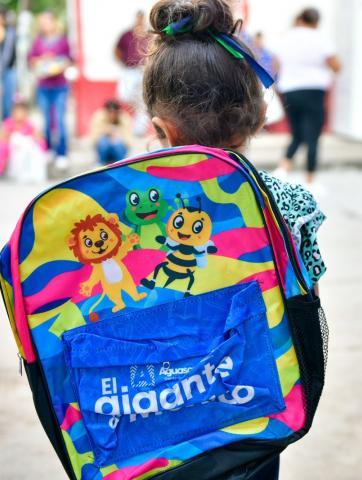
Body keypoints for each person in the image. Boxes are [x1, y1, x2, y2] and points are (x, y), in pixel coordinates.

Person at [142, 1, 327, 477]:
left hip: (147, 424)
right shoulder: (288, 203)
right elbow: (306, 315)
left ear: (160, 127)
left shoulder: (126, 208)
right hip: (251, 425)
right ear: (255, 119)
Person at [273, 7, 341, 184]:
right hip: (314, 91)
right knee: (313, 137)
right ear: (316, 22)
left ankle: (283, 169)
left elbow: (275, 66)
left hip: (290, 91)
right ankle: (310, 179)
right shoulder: (321, 39)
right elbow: (336, 66)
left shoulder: (286, 37)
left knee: (297, 133)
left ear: (300, 19)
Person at [28, 11, 72, 171]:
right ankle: (49, 150)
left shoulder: (62, 40)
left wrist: (57, 62)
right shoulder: (38, 41)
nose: (44, 25)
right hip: (43, 86)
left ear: (53, 22)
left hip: (59, 85)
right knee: (46, 120)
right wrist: (42, 60)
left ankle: (62, 153)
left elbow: (69, 60)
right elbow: (31, 60)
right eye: (42, 22)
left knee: (59, 120)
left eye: (47, 21)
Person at [0, 99, 47, 182]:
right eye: (16, 111)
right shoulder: (9, 123)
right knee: (0, 146)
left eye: (21, 111)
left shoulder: (28, 124)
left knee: (38, 145)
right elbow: (2, 136)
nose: (19, 114)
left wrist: (33, 139)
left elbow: (37, 136)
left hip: (25, 149)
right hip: (11, 147)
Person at [115, 11, 151, 136]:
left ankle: (139, 130)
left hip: (143, 70)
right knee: (124, 95)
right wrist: (123, 62)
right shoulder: (126, 35)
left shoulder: (148, 35)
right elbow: (117, 50)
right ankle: (138, 112)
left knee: (143, 100)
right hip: (129, 70)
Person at [89, 99, 133, 165]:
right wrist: (107, 132)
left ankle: (121, 165)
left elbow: (129, 141)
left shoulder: (124, 118)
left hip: (119, 149)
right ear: (105, 111)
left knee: (118, 144)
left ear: (118, 112)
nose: (112, 115)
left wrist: (117, 137)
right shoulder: (98, 117)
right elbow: (93, 139)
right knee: (103, 142)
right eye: (109, 112)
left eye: (114, 112)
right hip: (103, 148)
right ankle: (101, 164)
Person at [0, 8, 17, 120]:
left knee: (7, 103)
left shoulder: (9, 31)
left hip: (7, 71)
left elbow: (6, 55)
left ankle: (6, 126)